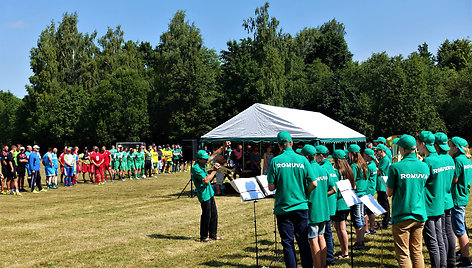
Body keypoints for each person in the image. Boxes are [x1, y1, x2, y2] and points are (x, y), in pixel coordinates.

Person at [267, 131, 317, 268]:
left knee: (288, 243)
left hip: (283, 207)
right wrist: (304, 193)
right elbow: (314, 183)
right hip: (301, 206)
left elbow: (271, 187)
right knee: (303, 241)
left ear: (279, 145)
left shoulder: (276, 161)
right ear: (292, 143)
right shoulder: (303, 160)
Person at [386, 134, 429, 268]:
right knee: (417, 251)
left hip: (402, 214)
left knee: (403, 253)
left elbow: (389, 192)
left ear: (402, 149)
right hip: (419, 213)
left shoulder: (395, 167)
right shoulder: (424, 166)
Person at [416, 131, 446, 268]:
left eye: (418, 143)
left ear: (423, 144)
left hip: (429, 205)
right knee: (439, 239)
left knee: (431, 241)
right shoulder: (440, 158)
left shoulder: (427, 162)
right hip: (439, 204)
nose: (417, 146)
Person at [301, 145, 335, 268]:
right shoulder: (323, 169)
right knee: (321, 236)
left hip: (313, 209)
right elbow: (334, 189)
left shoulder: (307, 170)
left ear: (305, 156)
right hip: (324, 209)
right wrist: (322, 195)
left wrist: (307, 193)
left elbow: (311, 186)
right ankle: (323, 264)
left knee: (313, 239)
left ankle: (318, 266)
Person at [192, 144, 228, 243]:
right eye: (205, 159)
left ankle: (213, 235)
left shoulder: (203, 163)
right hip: (204, 194)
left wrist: (223, 147)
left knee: (214, 214)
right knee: (206, 215)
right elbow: (206, 180)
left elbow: (213, 155)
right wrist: (214, 171)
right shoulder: (196, 168)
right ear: (199, 159)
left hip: (210, 192)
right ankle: (204, 237)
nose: (207, 160)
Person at [449, 136, 472, 267]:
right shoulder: (467, 159)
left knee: (459, 229)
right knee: (460, 225)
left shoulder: (457, 160)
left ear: (456, 147)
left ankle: (465, 259)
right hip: (463, 195)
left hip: (457, 197)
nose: (449, 149)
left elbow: (454, 179)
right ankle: (462, 253)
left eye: (450, 146)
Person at [434, 132, 456, 268]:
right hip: (448, 199)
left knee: (441, 234)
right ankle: (451, 262)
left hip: (439, 201)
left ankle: (444, 264)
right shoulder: (450, 159)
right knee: (449, 232)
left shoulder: (436, 160)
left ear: (435, 145)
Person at [316, 145, 337, 266]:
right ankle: (329, 256)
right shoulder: (331, 167)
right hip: (332, 203)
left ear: (320, 155)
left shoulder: (323, 168)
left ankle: (328, 257)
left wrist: (322, 195)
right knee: (327, 232)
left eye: (316, 155)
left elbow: (331, 188)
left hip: (326, 203)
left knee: (326, 232)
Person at [331, 149, 353, 259]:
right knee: (340, 228)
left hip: (339, 203)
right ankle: (344, 251)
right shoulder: (348, 170)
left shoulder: (336, 172)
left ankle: (345, 252)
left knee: (341, 229)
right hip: (347, 202)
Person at [347, 144, 368, 250]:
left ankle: (359, 242)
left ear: (352, 154)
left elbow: (352, 180)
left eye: (349, 153)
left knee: (357, 218)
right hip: (363, 193)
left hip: (357, 194)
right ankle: (361, 240)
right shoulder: (363, 164)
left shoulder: (354, 166)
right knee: (361, 216)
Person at [374, 143, 391, 229]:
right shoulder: (382, 159)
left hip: (382, 185)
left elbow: (379, 171)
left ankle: (385, 222)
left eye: (377, 151)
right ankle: (385, 220)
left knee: (384, 204)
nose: (376, 152)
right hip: (381, 184)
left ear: (382, 151)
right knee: (382, 203)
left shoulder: (385, 159)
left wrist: (373, 167)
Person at [363, 148, 378, 234]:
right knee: (370, 210)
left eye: (364, 155)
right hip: (372, 189)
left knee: (365, 211)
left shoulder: (369, 167)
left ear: (368, 156)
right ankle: (372, 228)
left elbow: (365, 177)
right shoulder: (373, 165)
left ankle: (366, 229)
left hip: (367, 190)